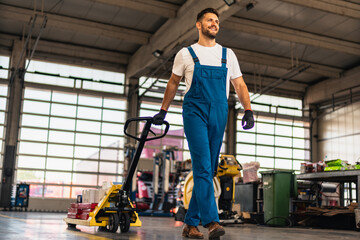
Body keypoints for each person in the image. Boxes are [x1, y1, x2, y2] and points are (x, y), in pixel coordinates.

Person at [153, 8, 254, 239]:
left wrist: (248, 109)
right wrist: (163, 111)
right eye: (210, 20)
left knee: (207, 170)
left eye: (217, 21)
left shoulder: (228, 54)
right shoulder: (186, 54)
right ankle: (211, 222)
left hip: (219, 111)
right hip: (194, 111)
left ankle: (189, 224)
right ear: (198, 25)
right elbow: (173, 83)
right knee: (203, 166)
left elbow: (239, 85)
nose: (214, 23)